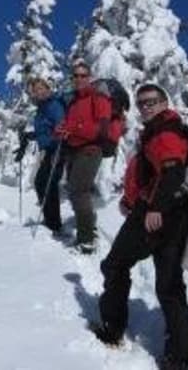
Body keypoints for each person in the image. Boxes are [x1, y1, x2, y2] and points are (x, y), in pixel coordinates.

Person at [93, 83, 188, 370]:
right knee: (169, 284)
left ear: (165, 102)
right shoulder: (166, 129)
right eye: (141, 103)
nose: (146, 106)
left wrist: (155, 207)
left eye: (152, 101)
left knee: (115, 265)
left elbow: (173, 171)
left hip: (157, 215)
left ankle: (112, 328)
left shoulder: (164, 132)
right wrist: (132, 199)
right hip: (178, 215)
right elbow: (154, 174)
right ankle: (182, 354)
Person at [55, 60, 111, 254]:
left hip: (91, 150)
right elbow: (69, 129)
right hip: (75, 151)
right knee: (74, 191)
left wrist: (74, 130)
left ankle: (86, 240)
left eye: (83, 75)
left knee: (79, 191)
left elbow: (103, 129)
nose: (79, 79)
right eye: (75, 76)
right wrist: (61, 131)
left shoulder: (98, 98)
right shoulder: (74, 102)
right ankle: (87, 227)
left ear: (89, 78)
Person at [15, 77, 66, 233]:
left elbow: (61, 125)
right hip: (48, 149)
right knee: (41, 183)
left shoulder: (54, 105)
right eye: (35, 90)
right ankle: (51, 220)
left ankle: (55, 224)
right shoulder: (41, 109)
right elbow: (43, 131)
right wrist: (29, 136)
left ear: (48, 88)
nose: (38, 92)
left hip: (58, 148)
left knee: (48, 184)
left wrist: (56, 142)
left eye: (41, 88)